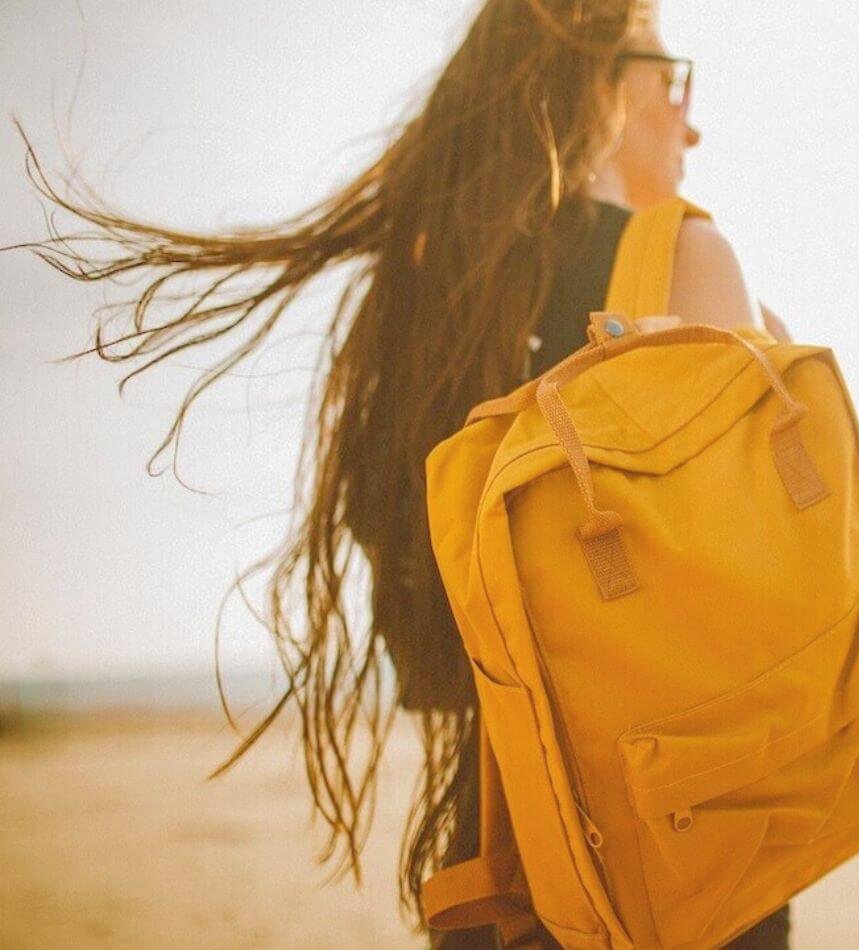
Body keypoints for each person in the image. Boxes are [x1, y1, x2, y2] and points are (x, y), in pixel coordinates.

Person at [7, 1, 792, 947]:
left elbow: (425, 635)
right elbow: (761, 610)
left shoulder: (433, 307)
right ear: (595, 81)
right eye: (672, 79)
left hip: (490, 857)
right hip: (680, 852)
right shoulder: (687, 260)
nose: (689, 118)